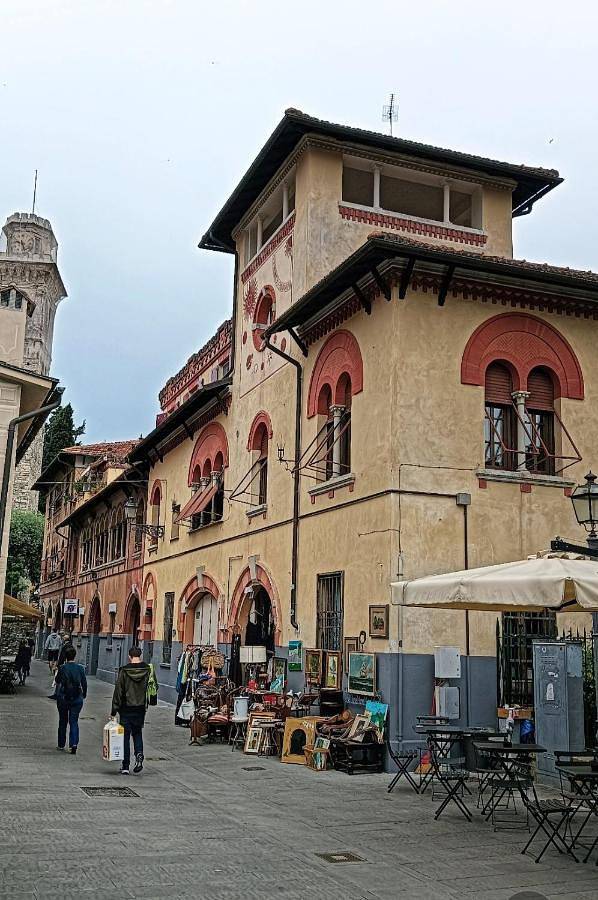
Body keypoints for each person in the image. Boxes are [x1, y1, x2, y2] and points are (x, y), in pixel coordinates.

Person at [111, 646, 151, 775]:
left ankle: (125, 766)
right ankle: (139, 754)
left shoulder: (124, 671)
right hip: (140, 708)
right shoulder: (147, 670)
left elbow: (118, 691)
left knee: (125, 736)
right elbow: (152, 687)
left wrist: (114, 710)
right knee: (137, 733)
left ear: (129, 656)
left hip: (126, 708)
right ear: (140, 655)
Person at [55, 646, 87, 754]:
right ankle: (73, 744)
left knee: (63, 721)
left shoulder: (63, 668)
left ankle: (61, 744)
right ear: (75, 656)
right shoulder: (80, 668)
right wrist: (84, 695)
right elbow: (84, 683)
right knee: (74, 721)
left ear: (66, 657)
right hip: (77, 697)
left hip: (64, 697)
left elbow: (57, 680)